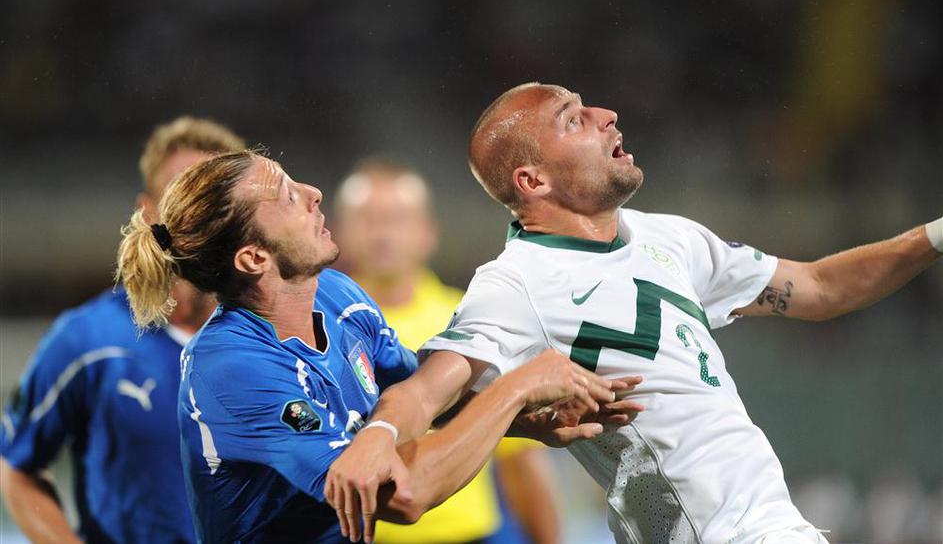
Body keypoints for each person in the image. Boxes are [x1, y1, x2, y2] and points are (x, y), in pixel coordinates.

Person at [325, 82, 943, 544]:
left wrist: (933, 236)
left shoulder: (671, 238)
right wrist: (380, 435)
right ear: (533, 181)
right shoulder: (515, 283)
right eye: (574, 118)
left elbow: (819, 287)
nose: (606, 116)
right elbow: (425, 393)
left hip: (767, 524)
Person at [114, 151, 639, 544]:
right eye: (287, 196)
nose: (313, 192)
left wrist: (526, 420)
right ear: (254, 259)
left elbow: (417, 397)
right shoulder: (231, 368)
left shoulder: (338, 296)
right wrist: (515, 389)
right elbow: (400, 496)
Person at [0, 117, 246, 544]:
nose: (197, 212)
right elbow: (18, 467)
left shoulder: (275, 337)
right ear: (147, 212)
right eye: (180, 193)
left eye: (212, 195)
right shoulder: (88, 340)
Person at [334, 159, 561, 544]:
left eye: (397, 219)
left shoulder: (473, 322)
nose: (383, 233)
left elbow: (519, 459)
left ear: (428, 232)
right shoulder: (318, 328)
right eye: (368, 219)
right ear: (339, 232)